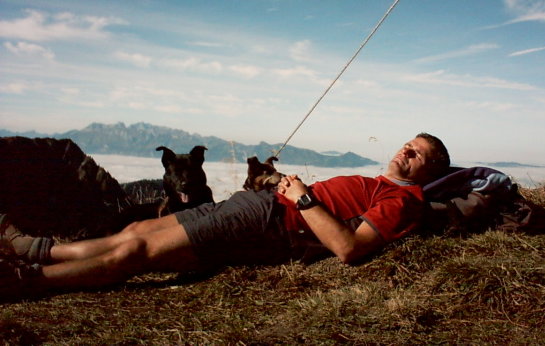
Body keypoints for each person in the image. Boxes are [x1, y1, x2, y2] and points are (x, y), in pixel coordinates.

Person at [0, 132, 449, 298]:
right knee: (136, 229)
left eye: (418, 154)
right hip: (259, 206)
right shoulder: (380, 182)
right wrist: (278, 183)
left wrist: (301, 198)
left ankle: (25, 280)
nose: (405, 151)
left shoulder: (403, 201)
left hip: (271, 223)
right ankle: (38, 250)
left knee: (138, 250)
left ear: (430, 171)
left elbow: (348, 248)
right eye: (407, 144)